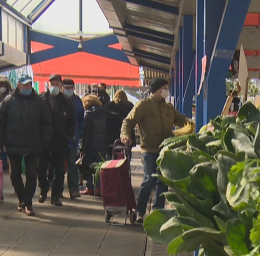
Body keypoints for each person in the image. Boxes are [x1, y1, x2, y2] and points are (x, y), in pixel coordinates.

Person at [121, 78, 191, 224]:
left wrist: (192, 123)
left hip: (165, 149)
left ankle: (158, 212)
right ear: (157, 89)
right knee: (149, 178)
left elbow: (180, 120)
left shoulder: (168, 108)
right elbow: (128, 121)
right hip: (149, 149)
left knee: (162, 180)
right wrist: (125, 135)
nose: (166, 90)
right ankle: (140, 211)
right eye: (164, 87)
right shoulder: (144, 105)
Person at [0, 74, 53, 216]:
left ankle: (27, 203)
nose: (27, 87)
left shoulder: (39, 102)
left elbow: (47, 124)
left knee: (32, 175)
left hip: (33, 145)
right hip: (13, 144)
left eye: (29, 84)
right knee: (14, 175)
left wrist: (44, 141)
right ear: (18, 85)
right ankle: (22, 199)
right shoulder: (8, 101)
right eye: (24, 85)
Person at [38, 74, 76, 207]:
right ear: (48, 85)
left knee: (59, 171)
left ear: (61, 86)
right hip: (44, 142)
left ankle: (55, 196)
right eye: (52, 83)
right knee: (41, 168)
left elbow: (72, 121)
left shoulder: (66, 101)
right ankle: (43, 189)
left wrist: (68, 135)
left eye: (57, 84)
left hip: (60, 142)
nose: (54, 86)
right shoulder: (41, 99)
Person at [79, 94, 109, 195]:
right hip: (101, 145)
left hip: (90, 145)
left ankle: (90, 187)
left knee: (86, 167)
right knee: (99, 167)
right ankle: (99, 187)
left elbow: (85, 133)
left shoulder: (88, 114)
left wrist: (82, 148)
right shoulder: (104, 114)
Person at [63, 78, 85, 199]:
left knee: (72, 164)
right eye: (66, 88)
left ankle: (74, 190)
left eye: (70, 88)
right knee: (59, 166)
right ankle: (57, 191)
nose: (68, 90)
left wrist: (79, 132)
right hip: (60, 138)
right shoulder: (58, 100)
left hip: (73, 138)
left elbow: (81, 118)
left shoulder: (77, 101)